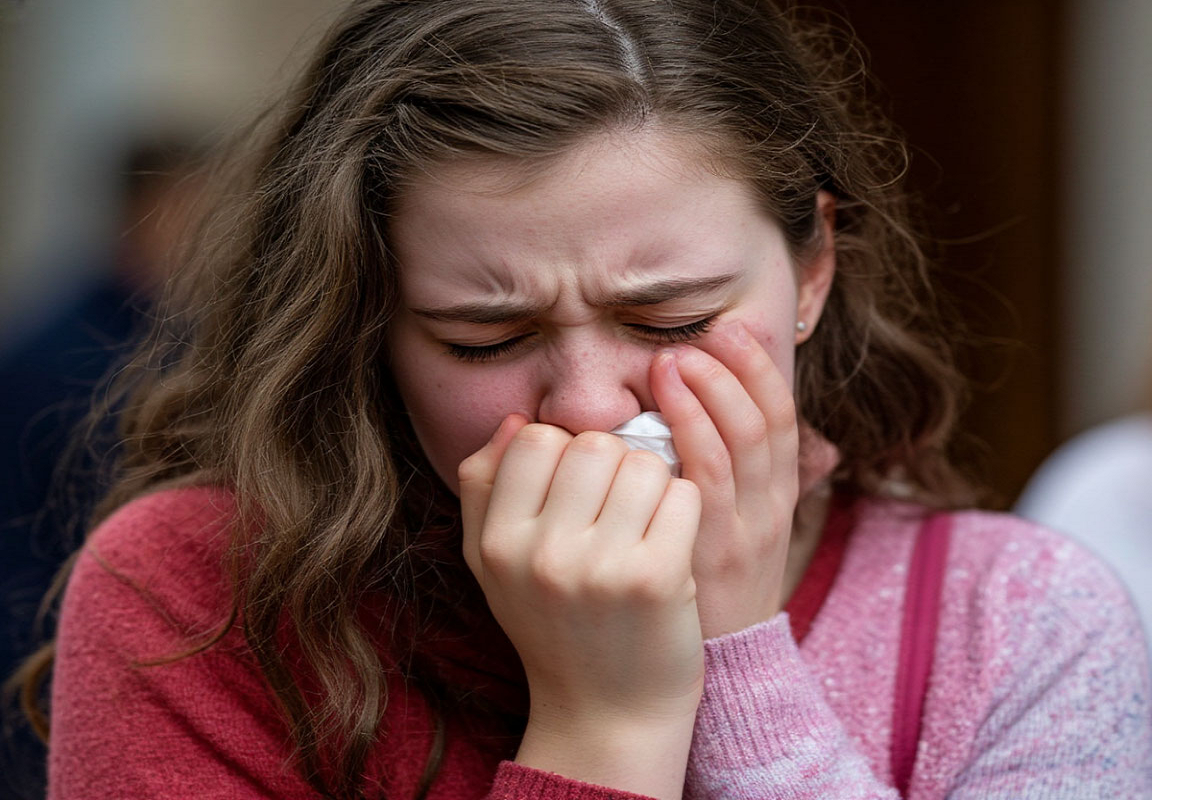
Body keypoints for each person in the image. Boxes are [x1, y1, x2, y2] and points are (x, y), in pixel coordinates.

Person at [15, 1, 1150, 798]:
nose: (592, 409)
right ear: (370, 321)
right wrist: (600, 728)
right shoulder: (199, 603)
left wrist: (743, 663)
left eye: (670, 321)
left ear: (812, 270)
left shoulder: (1018, 619)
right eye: (487, 336)